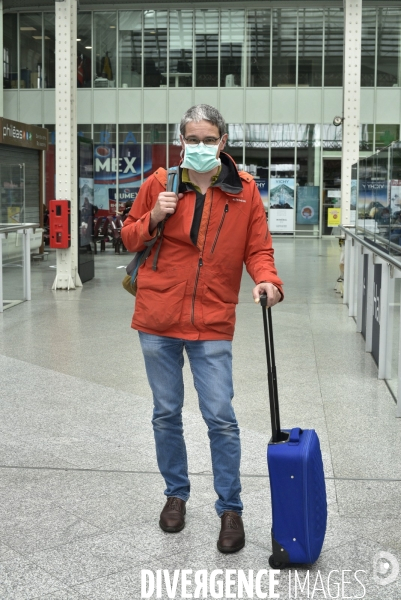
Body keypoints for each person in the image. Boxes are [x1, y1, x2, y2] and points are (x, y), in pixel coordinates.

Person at [121, 104, 283, 553]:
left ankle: (230, 508)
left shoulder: (244, 191)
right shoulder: (159, 183)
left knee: (221, 419)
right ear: (180, 142)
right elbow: (129, 236)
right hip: (158, 318)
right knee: (166, 413)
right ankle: (176, 494)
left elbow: (258, 248)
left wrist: (267, 279)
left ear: (223, 142)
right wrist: (154, 215)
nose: (199, 147)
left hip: (212, 319)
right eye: (191, 139)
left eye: (208, 139)